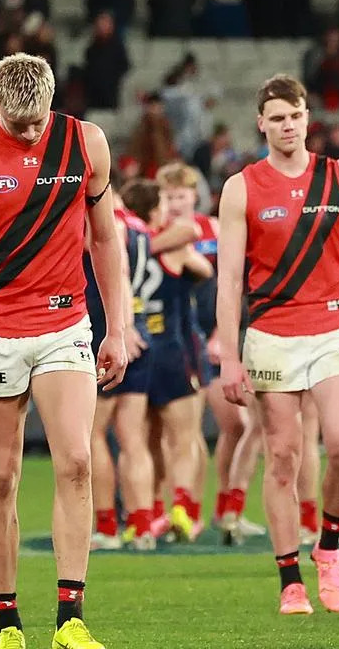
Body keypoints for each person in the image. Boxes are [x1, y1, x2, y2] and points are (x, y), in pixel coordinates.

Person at [0, 53, 127, 649]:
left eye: (38, 120)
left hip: (67, 323)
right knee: (2, 476)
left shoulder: (87, 142)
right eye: (19, 124)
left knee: (77, 462)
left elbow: (106, 238)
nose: (32, 132)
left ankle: (70, 617)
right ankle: (6, 619)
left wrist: (117, 326)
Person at [216, 74, 339, 616]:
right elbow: (228, 280)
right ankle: (289, 580)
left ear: (307, 117)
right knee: (283, 456)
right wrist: (228, 353)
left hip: (333, 329)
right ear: (261, 123)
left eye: (294, 116)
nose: (287, 126)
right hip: (271, 334)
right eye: (276, 118)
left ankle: (329, 547)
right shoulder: (241, 187)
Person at [156, 163, 268, 544]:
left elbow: (232, 282)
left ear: (194, 196)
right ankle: (180, 512)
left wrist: (224, 332)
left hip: (212, 337)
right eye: (168, 196)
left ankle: (224, 508)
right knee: (177, 434)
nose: (175, 202)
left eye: (181, 195)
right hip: (175, 339)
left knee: (234, 425)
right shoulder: (156, 233)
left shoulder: (213, 230)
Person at [125, 178, 213, 543]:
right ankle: (182, 508)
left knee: (141, 440)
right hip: (177, 348)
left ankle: (146, 516)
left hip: (139, 346)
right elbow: (205, 270)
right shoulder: (174, 247)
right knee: (185, 437)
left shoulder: (125, 247)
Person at [86, 192, 156, 551]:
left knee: (94, 434)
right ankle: (142, 525)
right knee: (132, 436)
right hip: (141, 333)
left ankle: (108, 526)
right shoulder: (140, 226)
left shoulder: (104, 222)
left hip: (111, 337)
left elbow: (120, 274)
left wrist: (122, 329)